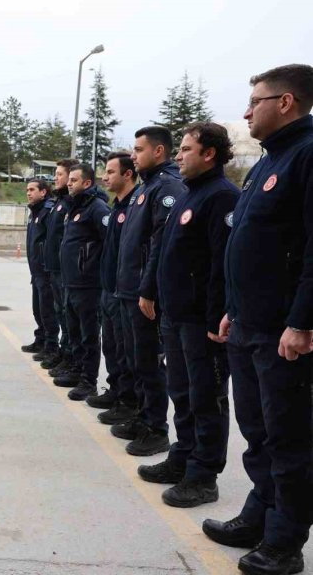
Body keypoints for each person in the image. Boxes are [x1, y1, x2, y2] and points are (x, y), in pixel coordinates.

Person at [203, 64, 313, 575]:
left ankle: (285, 542)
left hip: (283, 333)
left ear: (286, 102)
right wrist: (232, 310)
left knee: (288, 440)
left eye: (256, 101)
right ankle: (259, 514)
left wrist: (302, 321)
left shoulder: (307, 157)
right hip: (247, 325)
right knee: (257, 433)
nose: (247, 111)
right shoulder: (266, 164)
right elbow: (248, 249)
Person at [142, 122, 238, 509]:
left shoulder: (222, 197)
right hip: (177, 316)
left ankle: (203, 475)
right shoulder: (188, 194)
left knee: (207, 398)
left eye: (185, 149)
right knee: (181, 393)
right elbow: (165, 248)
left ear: (208, 153)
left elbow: (222, 263)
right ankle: (183, 456)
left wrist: (218, 318)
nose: (178, 156)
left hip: (203, 322)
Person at [113, 126, 186, 456]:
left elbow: (159, 245)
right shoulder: (148, 186)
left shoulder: (167, 187)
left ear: (159, 152)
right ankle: (143, 417)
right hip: (129, 290)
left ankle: (156, 428)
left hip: (144, 294)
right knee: (137, 361)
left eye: (139, 150)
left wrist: (148, 290)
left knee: (149, 364)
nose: (133, 155)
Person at [56, 164, 110, 401]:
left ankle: (89, 381)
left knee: (88, 335)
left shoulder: (97, 209)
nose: (69, 183)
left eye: (74, 180)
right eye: (69, 180)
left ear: (87, 183)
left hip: (89, 285)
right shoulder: (74, 207)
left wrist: (93, 268)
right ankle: (77, 372)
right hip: (72, 283)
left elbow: (110, 242)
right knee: (75, 332)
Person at [91, 152, 139, 420]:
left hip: (125, 291)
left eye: (110, 172)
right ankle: (116, 392)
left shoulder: (135, 206)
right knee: (111, 347)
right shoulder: (117, 207)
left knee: (126, 352)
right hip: (109, 289)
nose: (104, 177)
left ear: (127, 174)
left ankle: (129, 403)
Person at [41, 159, 79, 375]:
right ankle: (64, 355)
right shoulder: (60, 203)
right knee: (60, 313)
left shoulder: (71, 204)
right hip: (54, 269)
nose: (56, 178)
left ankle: (70, 357)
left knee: (68, 317)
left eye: (59, 175)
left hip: (67, 272)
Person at [25, 179, 59, 364]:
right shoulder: (34, 212)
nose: (28, 193)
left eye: (32, 190)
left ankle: (51, 346)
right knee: (38, 309)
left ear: (43, 192)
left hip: (45, 271)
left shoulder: (48, 211)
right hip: (36, 270)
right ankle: (41, 339)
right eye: (27, 190)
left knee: (47, 311)